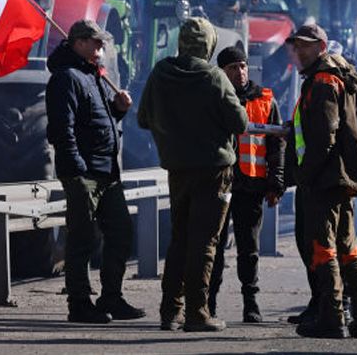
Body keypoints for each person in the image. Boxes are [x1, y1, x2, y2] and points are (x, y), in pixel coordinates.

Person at [138, 17, 249, 332]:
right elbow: (239, 123)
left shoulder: (160, 73)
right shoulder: (214, 76)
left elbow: (144, 118)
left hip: (178, 169)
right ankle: (198, 312)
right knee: (205, 242)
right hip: (214, 172)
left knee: (180, 239)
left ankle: (169, 311)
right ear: (209, 45)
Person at [46, 19, 145, 324]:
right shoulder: (67, 78)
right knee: (82, 238)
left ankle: (111, 297)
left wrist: (118, 110)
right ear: (78, 42)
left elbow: (98, 122)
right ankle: (79, 303)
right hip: (85, 173)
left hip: (106, 173)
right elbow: (63, 129)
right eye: (96, 42)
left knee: (121, 232)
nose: (101, 47)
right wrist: (76, 168)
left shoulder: (94, 76)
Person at [287, 23, 357, 339]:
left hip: (325, 178)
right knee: (347, 248)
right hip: (341, 177)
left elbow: (324, 136)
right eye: (296, 46)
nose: (299, 51)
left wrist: (305, 175)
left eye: (306, 45)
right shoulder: (337, 76)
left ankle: (332, 318)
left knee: (323, 248)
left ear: (321, 47)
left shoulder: (323, 81)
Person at [208, 45, 286, 323]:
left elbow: (277, 144)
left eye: (242, 66)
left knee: (248, 248)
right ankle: (209, 303)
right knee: (214, 248)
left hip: (251, 185)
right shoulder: (215, 98)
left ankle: (251, 304)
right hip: (220, 184)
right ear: (223, 71)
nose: (240, 72)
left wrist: (275, 183)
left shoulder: (265, 99)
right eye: (233, 68)